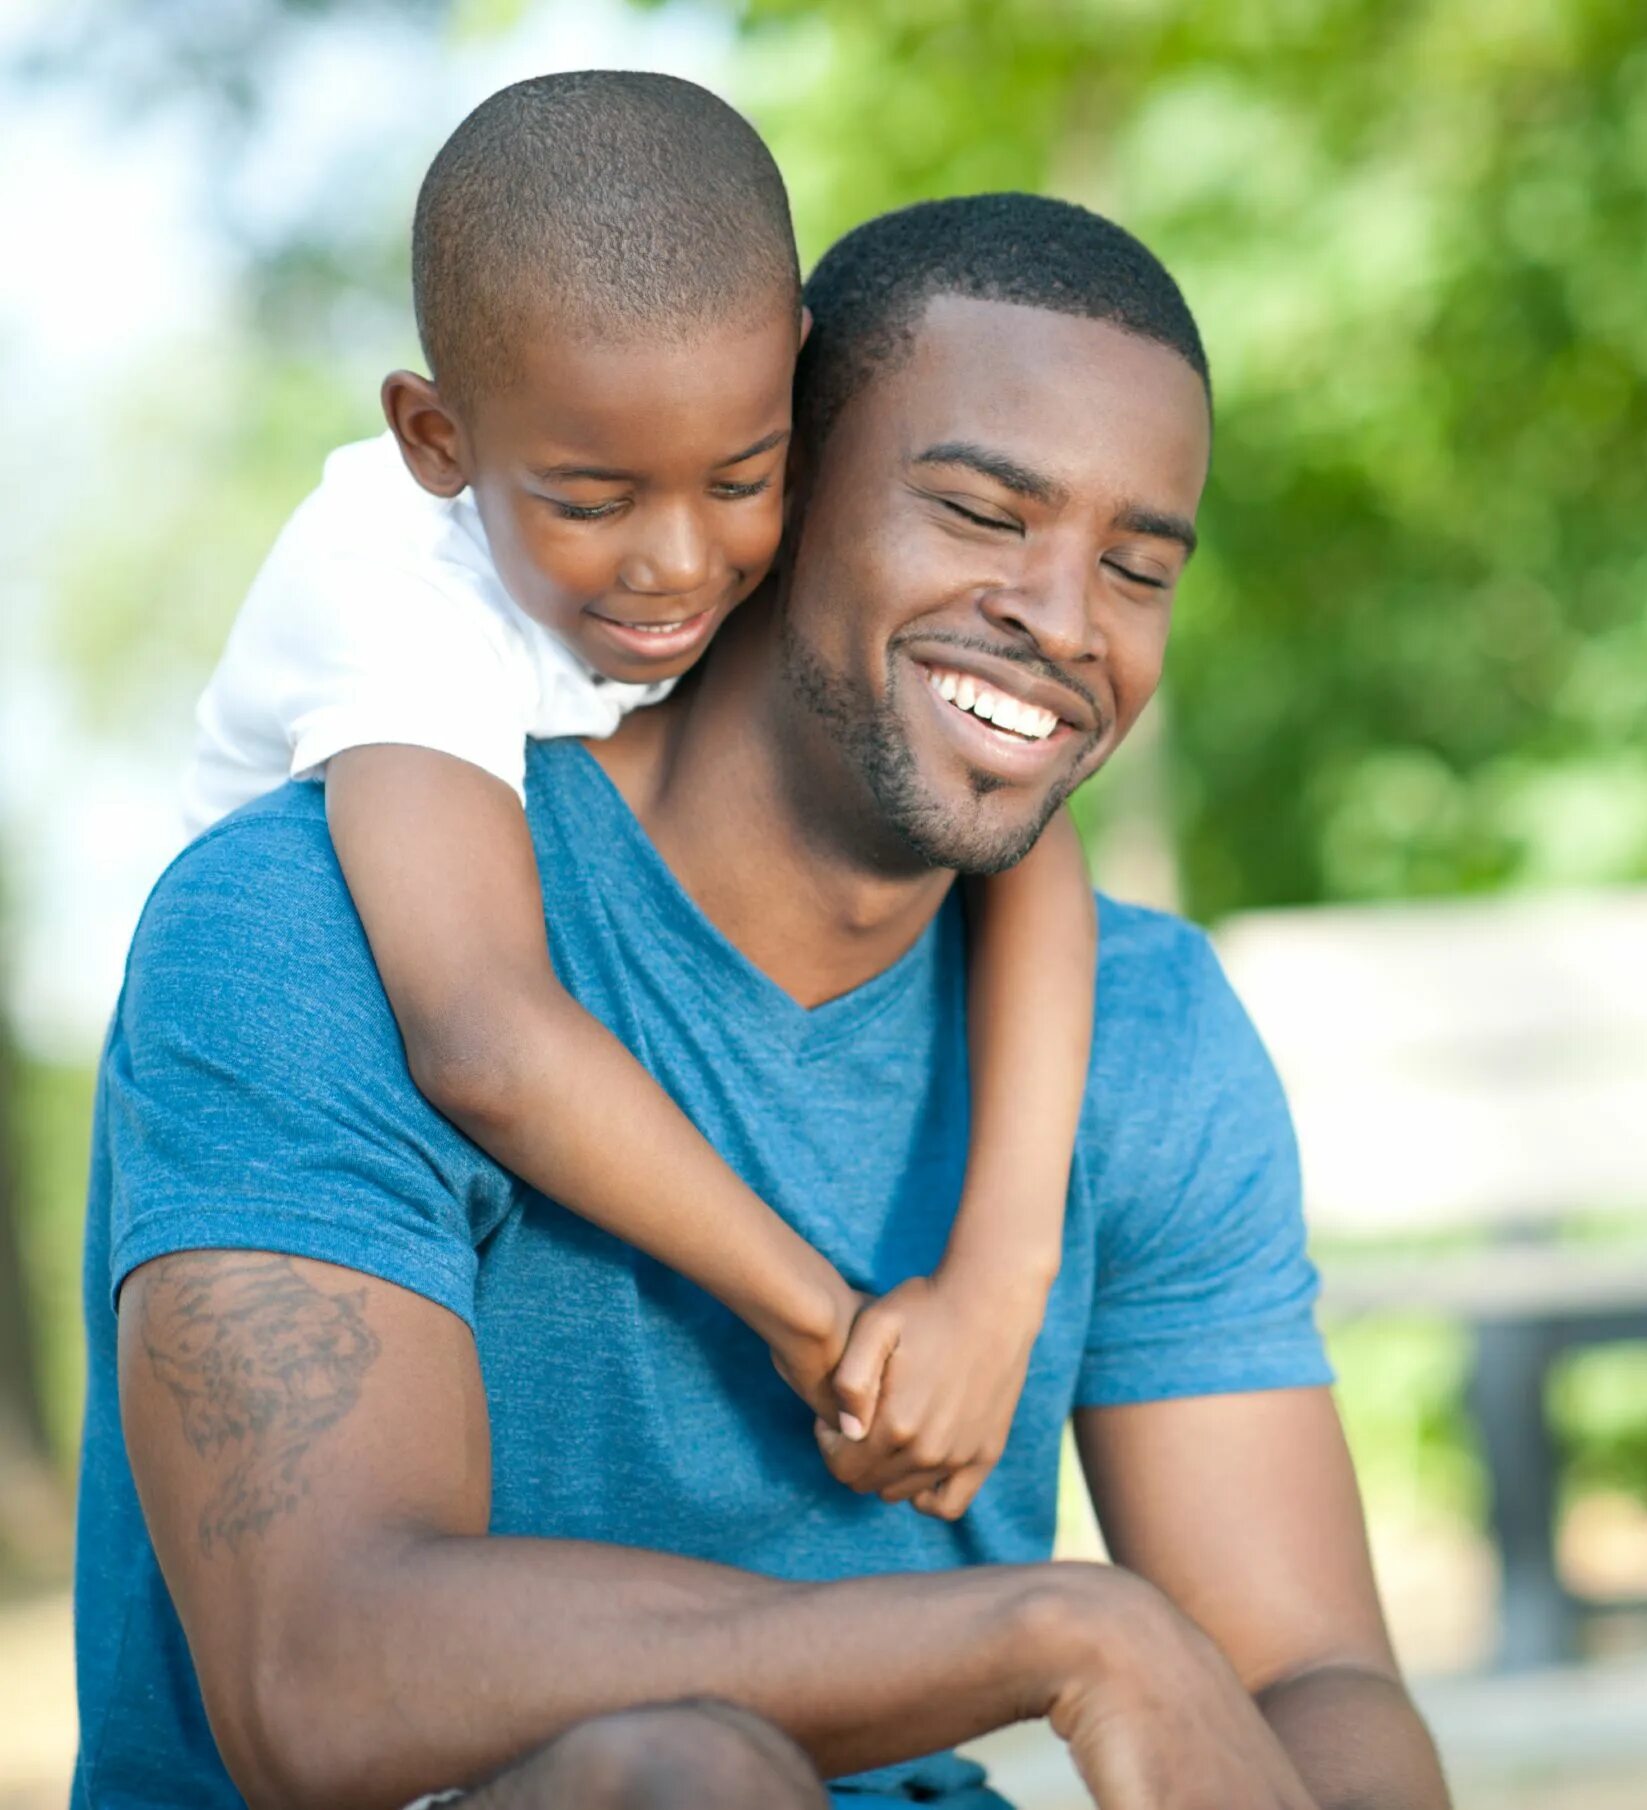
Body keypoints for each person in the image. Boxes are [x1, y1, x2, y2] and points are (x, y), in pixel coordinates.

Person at [77, 186, 1450, 1808]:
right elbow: (322, 1674)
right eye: (983, 516)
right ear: (779, 483)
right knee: (687, 1780)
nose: (1067, 621)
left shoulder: (1140, 1027)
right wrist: (1063, 1629)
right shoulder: (307, 927)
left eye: (1138, 568)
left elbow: (1306, 1667)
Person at [177, 71, 1092, 1514]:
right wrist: (823, 1320)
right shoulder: (395, 588)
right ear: (437, 438)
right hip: (314, 1129)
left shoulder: (730, 494)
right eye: (592, 502)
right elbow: (483, 1035)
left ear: (787, 377)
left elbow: (1019, 824)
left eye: (740, 478)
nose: (675, 561)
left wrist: (999, 1274)